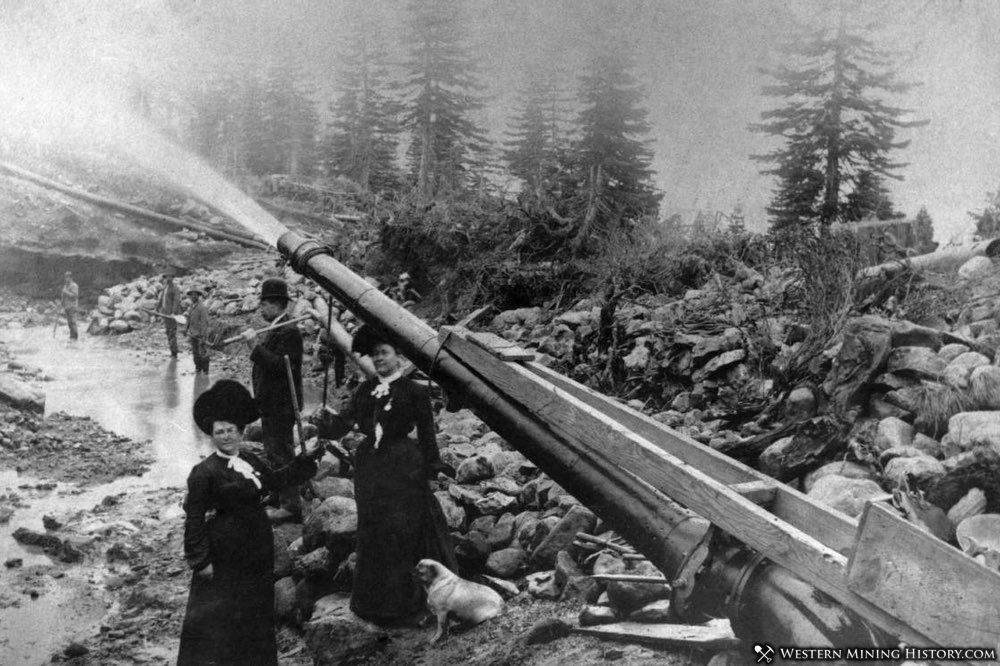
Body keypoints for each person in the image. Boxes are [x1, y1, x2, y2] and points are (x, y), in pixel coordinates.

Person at [313, 324, 457, 625]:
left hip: (404, 467)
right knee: (374, 532)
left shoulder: (414, 391)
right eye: (374, 354)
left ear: (398, 356)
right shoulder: (364, 391)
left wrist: (432, 466)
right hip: (370, 470)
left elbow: (428, 433)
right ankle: (376, 604)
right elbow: (344, 425)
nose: (379, 359)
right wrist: (326, 423)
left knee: (404, 530)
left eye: (384, 353)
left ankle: (413, 604)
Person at [178, 379, 321, 666]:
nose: (226, 437)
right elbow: (194, 519)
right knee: (224, 612)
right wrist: (200, 560)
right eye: (219, 432)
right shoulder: (203, 473)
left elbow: (276, 480)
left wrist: (303, 465)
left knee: (255, 606)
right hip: (226, 550)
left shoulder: (249, 458)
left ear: (241, 431)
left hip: (257, 545)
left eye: (231, 430)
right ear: (211, 434)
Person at [239, 277, 303, 520]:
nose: (261, 309)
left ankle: (290, 506)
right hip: (270, 404)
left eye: (264, 304)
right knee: (272, 451)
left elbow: (280, 367)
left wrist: (255, 347)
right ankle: (278, 496)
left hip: (281, 405)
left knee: (282, 453)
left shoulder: (289, 332)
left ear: (276, 304)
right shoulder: (276, 328)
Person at [185, 288, 210, 374]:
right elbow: (189, 318)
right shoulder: (192, 306)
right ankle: (198, 368)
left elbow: (204, 322)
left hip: (200, 334)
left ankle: (205, 370)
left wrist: (203, 336)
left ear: (198, 296)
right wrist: (186, 329)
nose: (193, 296)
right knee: (195, 353)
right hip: (193, 333)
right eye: (191, 295)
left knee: (202, 352)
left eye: (195, 295)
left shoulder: (201, 307)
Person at [158, 270, 182, 357]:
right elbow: (161, 299)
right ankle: (172, 350)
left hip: (171, 315)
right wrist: (157, 309)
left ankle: (174, 352)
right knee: (168, 332)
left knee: (172, 333)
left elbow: (176, 301)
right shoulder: (165, 287)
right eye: (166, 277)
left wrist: (173, 313)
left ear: (172, 278)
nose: (168, 278)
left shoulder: (175, 288)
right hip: (165, 314)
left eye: (170, 277)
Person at [60, 271, 79, 340]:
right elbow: (63, 296)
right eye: (65, 277)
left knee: (73, 322)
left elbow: (75, 296)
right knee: (69, 323)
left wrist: (66, 292)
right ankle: (72, 336)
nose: (66, 279)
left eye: (67, 277)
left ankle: (75, 337)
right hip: (67, 307)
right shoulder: (65, 286)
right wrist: (62, 302)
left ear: (71, 278)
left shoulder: (74, 285)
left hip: (73, 307)